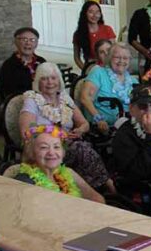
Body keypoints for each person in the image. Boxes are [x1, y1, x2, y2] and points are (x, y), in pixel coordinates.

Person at [19, 62, 110, 192]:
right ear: (38, 82)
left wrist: (79, 130)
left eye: (53, 78)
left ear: (59, 80)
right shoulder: (32, 100)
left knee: (83, 147)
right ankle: (102, 186)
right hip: (46, 148)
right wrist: (55, 134)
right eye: (44, 79)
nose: (50, 82)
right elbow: (26, 132)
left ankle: (93, 187)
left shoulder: (64, 98)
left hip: (69, 143)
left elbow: (84, 124)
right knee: (82, 149)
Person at [11, 126, 105, 203]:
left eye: (56, 147)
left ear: (62, 152)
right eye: (44, 147)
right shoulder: (25, 182)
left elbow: (98, 199)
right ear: (32, 153)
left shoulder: (67, 173)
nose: (51, 152)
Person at [79, 42, 135, 133]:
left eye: (125, 58)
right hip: (104, 126)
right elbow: (85, 98)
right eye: (117, 57)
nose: (121, 61)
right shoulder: (98, 73)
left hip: (128, 126)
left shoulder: (133, 81)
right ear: (109, 58)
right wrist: (98, 119)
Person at [0, 27, 46, 100]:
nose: (28, 43)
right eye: (24, 39)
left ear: (36, 43)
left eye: (32, 40)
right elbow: (9, 92)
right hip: (20, 102)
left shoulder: (42, 61)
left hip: (43, 100)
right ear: (16, 42)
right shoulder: (9, 65)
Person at [71, 1, 117, 71]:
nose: (95, 15)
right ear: (85, 14)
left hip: (108, 67)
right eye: (91, 12)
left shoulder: (107, 29)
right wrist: (85, 70)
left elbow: (114, 51)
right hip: (91, 67)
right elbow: (76, 58)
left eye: (97, 12)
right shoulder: (78, 34)